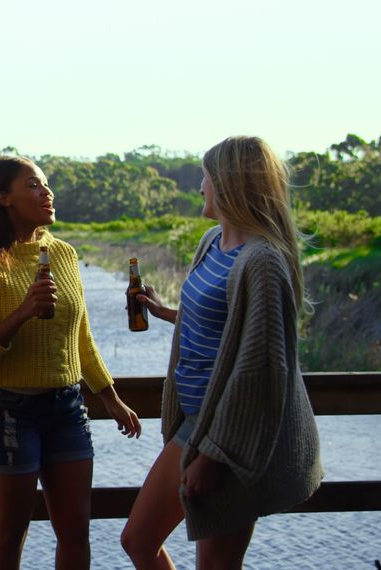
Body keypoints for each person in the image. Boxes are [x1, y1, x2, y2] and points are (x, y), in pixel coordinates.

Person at [120, 136, 323, 569]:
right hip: (195, 423)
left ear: (229, 184)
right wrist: (166, 312)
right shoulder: (213, 242)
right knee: (138, 541)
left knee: (213, 566)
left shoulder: (262, 260)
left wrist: (214, 456)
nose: (200, 187)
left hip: (232, 435)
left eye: (206, 178)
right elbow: (229, 325)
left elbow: (261, 369)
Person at [0, 156, 142, 569]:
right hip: (10, 411)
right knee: (11, 533)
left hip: (67, 408)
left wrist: (110, 397)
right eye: (34, 186)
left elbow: (81, 336)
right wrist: (21, 314)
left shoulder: (63, 254)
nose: (47, 193)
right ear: (4, 198)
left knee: (76, 532)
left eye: (46, 185)